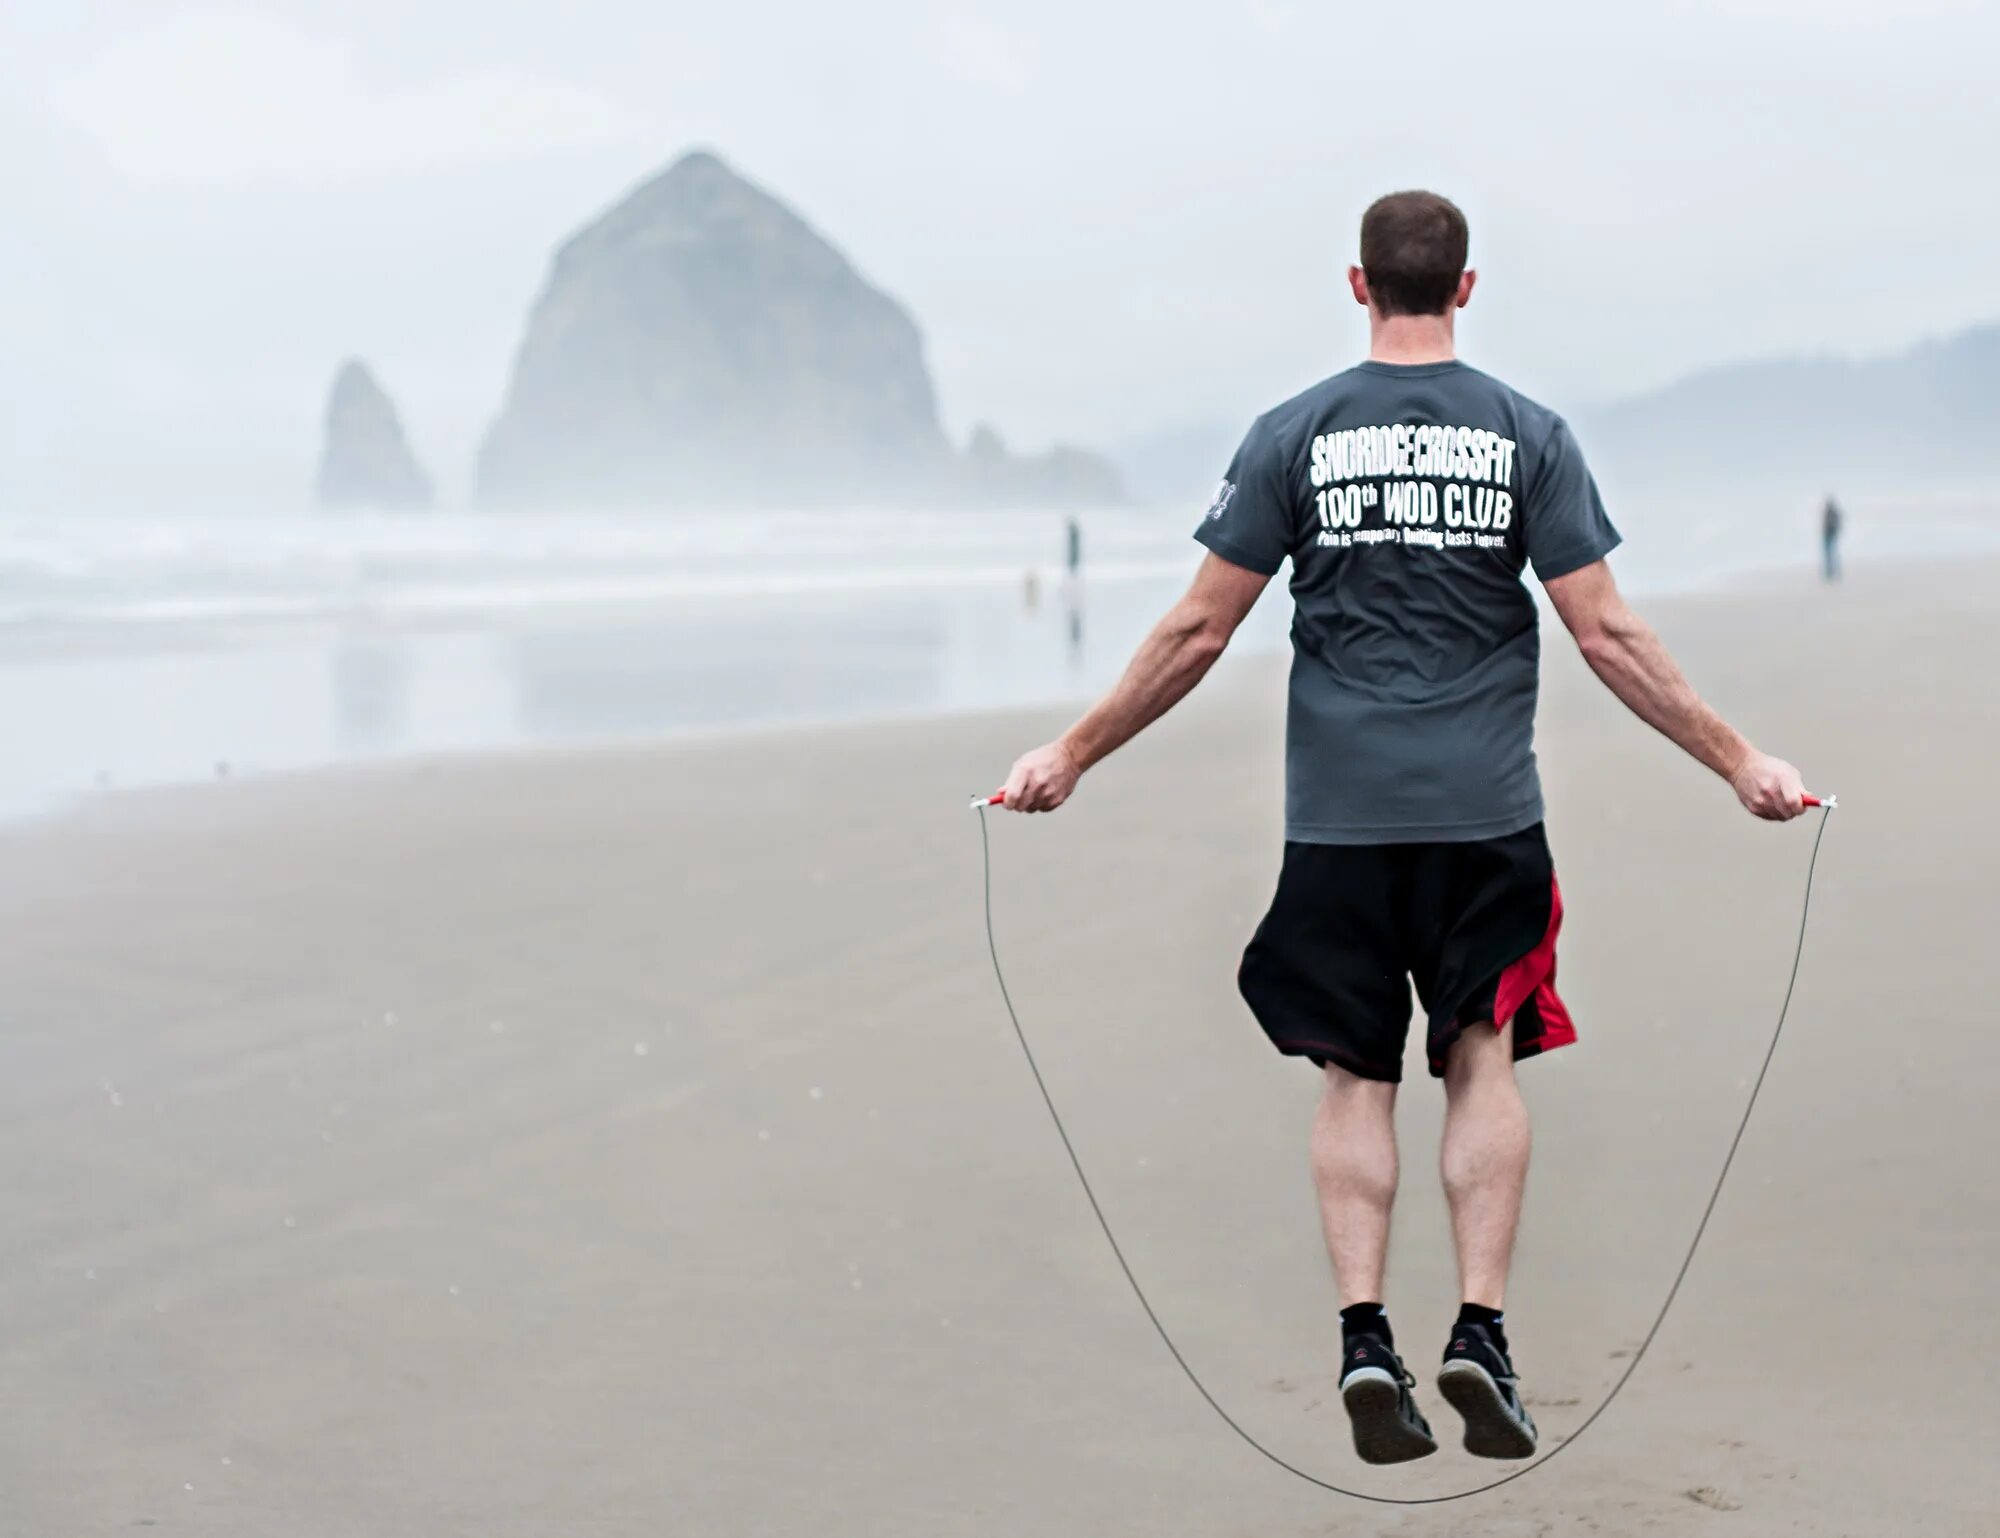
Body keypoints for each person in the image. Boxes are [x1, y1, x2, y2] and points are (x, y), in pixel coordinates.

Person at [995, 191, 1806, 1467]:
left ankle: (1364, 1334)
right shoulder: (1524, 433)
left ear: (1358, 285)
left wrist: (1070, 752)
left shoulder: (1293, 433)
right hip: (1484, 815)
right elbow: (1607, 633)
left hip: (1339, 822)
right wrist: (1737, 760)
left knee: (1352, 1072)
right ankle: (1478, 1332)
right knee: (1479, 1054)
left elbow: (1196, 629)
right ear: (1465, 288)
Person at [1822, 494, 1844, 582]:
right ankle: (1830, 572)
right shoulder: (1829, 512)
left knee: (1831, 554)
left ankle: (1833, 572)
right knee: (1830, 555)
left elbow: (1835, 524)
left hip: (1830, 535)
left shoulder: (1832, 512)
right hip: (1828, 535)